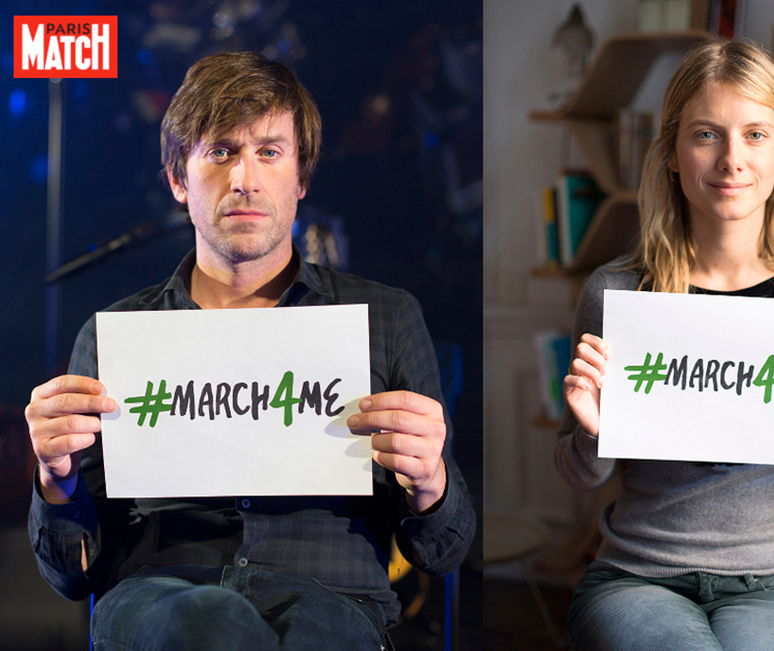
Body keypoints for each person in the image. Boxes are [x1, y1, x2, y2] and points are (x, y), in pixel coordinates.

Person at [26, 52, 475, 651]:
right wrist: (55, 480)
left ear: (301, 178)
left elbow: (443, 551)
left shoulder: (386, 318)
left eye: (269, 151)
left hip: (330, 603)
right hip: (160, 601)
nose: (245, 178)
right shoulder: (115, 335)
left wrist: (429, 481)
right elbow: (69, 575)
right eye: (220, 152)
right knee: (204, 623)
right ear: (178, 179)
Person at [556, 39, 774, 651]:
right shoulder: (616, 293)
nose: (732, 160)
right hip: (636, 575)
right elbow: (577, 474)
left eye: (756, 135)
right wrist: (595, 432)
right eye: (706, 135)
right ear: (671, 154)